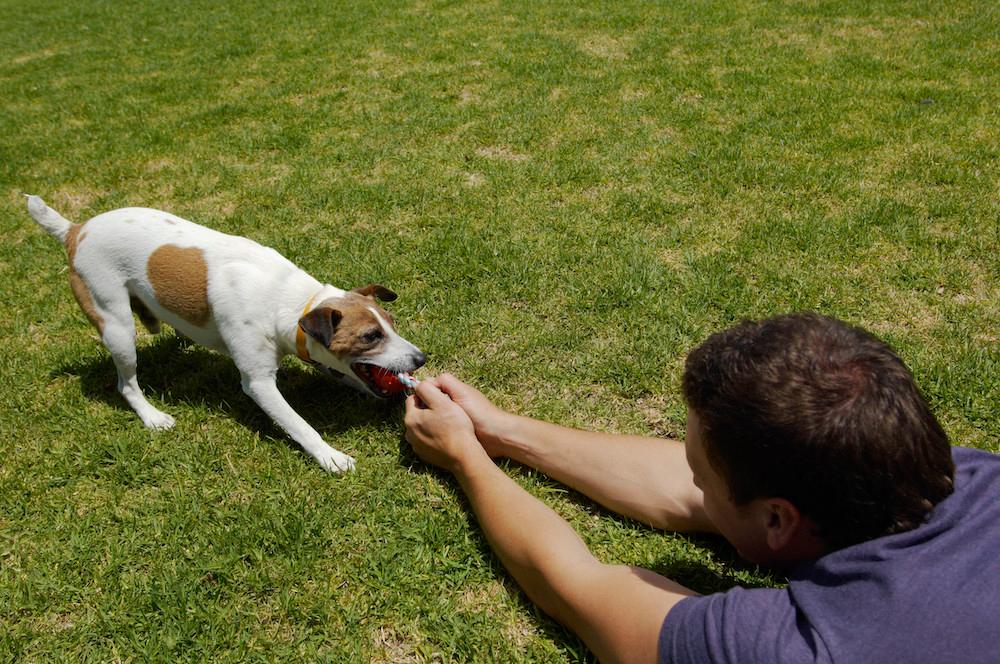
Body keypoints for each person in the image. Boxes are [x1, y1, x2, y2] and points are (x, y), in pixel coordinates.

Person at [403, 312, 1000, 663]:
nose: (690, 481)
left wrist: (465, 459)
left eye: (700, 471)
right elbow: (681, 490)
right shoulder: (963, 469)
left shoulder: (800, 648)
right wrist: (502, 432)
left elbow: (572, 587)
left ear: (777, 520)